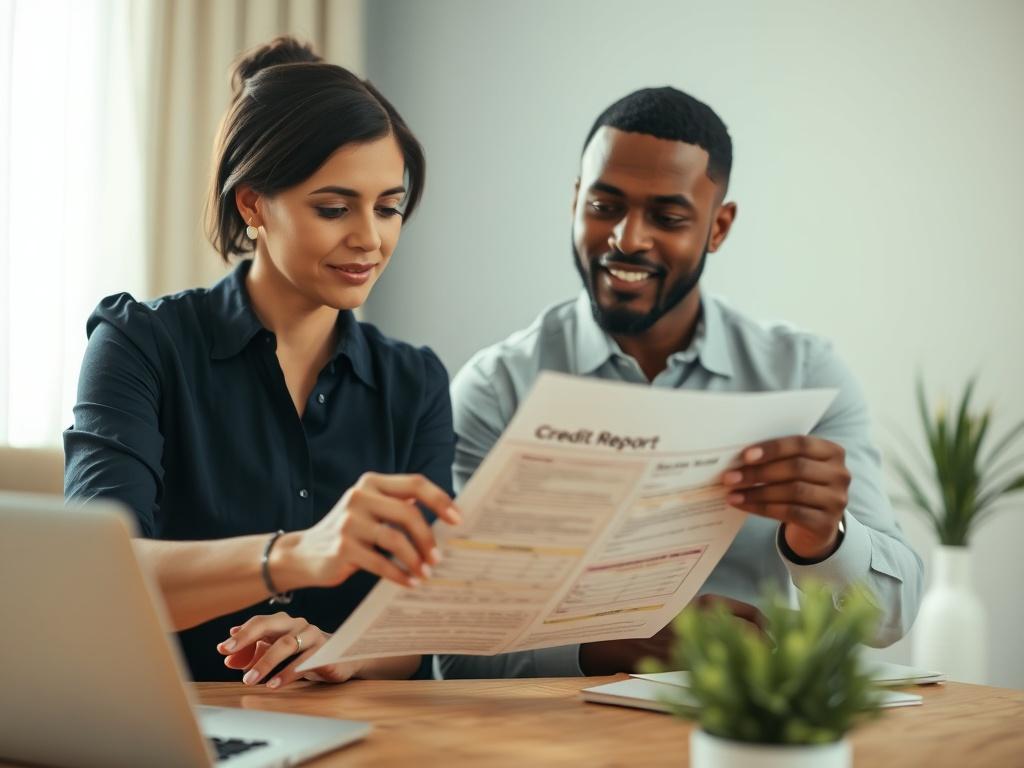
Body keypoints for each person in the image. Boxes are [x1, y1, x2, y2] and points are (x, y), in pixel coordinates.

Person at [440, 86, 923, 678]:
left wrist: (824, 537)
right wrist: (608, 648)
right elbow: (451, 649)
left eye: (667, 218)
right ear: (574, 203)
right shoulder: (497, 389)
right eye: (603, 207)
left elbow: (889, 619)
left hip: (748, 725)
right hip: (554, 741)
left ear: (718, 227)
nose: (627, 238)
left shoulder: (802, 377)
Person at [64, 36, 461, 689]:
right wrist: (295, 555)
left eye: (389, 207)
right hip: (176, 727)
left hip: (366, 736)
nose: (370, 238)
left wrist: (342, 650)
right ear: (252, 204)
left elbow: (422, 623)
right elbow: (97, 579)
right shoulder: (139, 345)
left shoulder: (413, 382)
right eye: (334, 208)